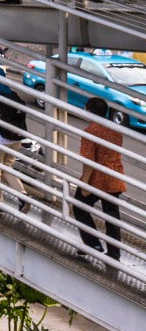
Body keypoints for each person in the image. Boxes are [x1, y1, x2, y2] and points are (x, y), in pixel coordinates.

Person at [73, 96, 127, 262]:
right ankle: (114, 252)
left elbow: (89, 160)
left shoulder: (90, 132)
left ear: (89, 110)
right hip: (115, 177)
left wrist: (84, 182)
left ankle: (92, 243)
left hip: (97, 179)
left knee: (79, 206)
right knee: (111, 215)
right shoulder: (115, 130)